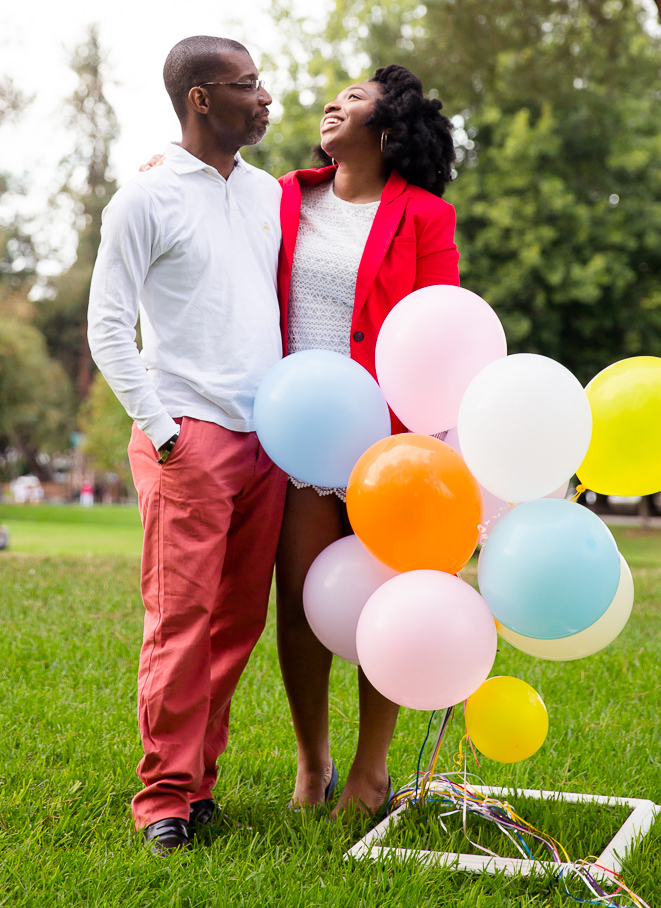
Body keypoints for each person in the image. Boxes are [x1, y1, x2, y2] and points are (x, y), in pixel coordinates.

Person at [87, 35, 286, 856]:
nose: (264, 96)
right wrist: (163, 430)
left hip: (268, 438)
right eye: (247, 85)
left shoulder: (274, 194)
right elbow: (108, 325)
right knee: (181, 621)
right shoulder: (145, 199)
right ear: (201, 97)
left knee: (237, 623)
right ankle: (162, 799)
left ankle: (200, 783)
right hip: (188, 434)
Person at [275, 64, 460, 816]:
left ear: (386, 133)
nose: (333, 102)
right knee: (298, 599)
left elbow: (440, 327)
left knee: (384, 600)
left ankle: (370, 771)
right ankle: (310, 762)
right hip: (301, 435)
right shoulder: (285, 194)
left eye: (353, 99)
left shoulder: (423, 216)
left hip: (389, 436)